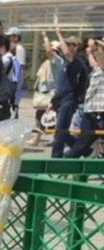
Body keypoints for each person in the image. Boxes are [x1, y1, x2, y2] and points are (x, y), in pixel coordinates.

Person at [43, 28, 88, 157]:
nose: (66, 46)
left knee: (60, 131)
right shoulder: (64, 62)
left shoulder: (77, 61)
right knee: (62, 131)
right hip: (61, 98)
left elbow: (67, 53)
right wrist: (45, 36)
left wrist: (59, 34)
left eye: (70, 44)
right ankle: (85, 150)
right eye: (66, 44)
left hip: (69, 99)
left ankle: (56, 159)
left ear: (76, 47)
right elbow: (49, 52)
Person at [65, 39, 104, 157]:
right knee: (81, 145)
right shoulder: (97, 69)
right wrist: (90, 52)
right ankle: (67, 163)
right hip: (91, 112)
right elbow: (94, 63)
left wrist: (97, 45)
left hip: (102, 112)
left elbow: (101, 59)